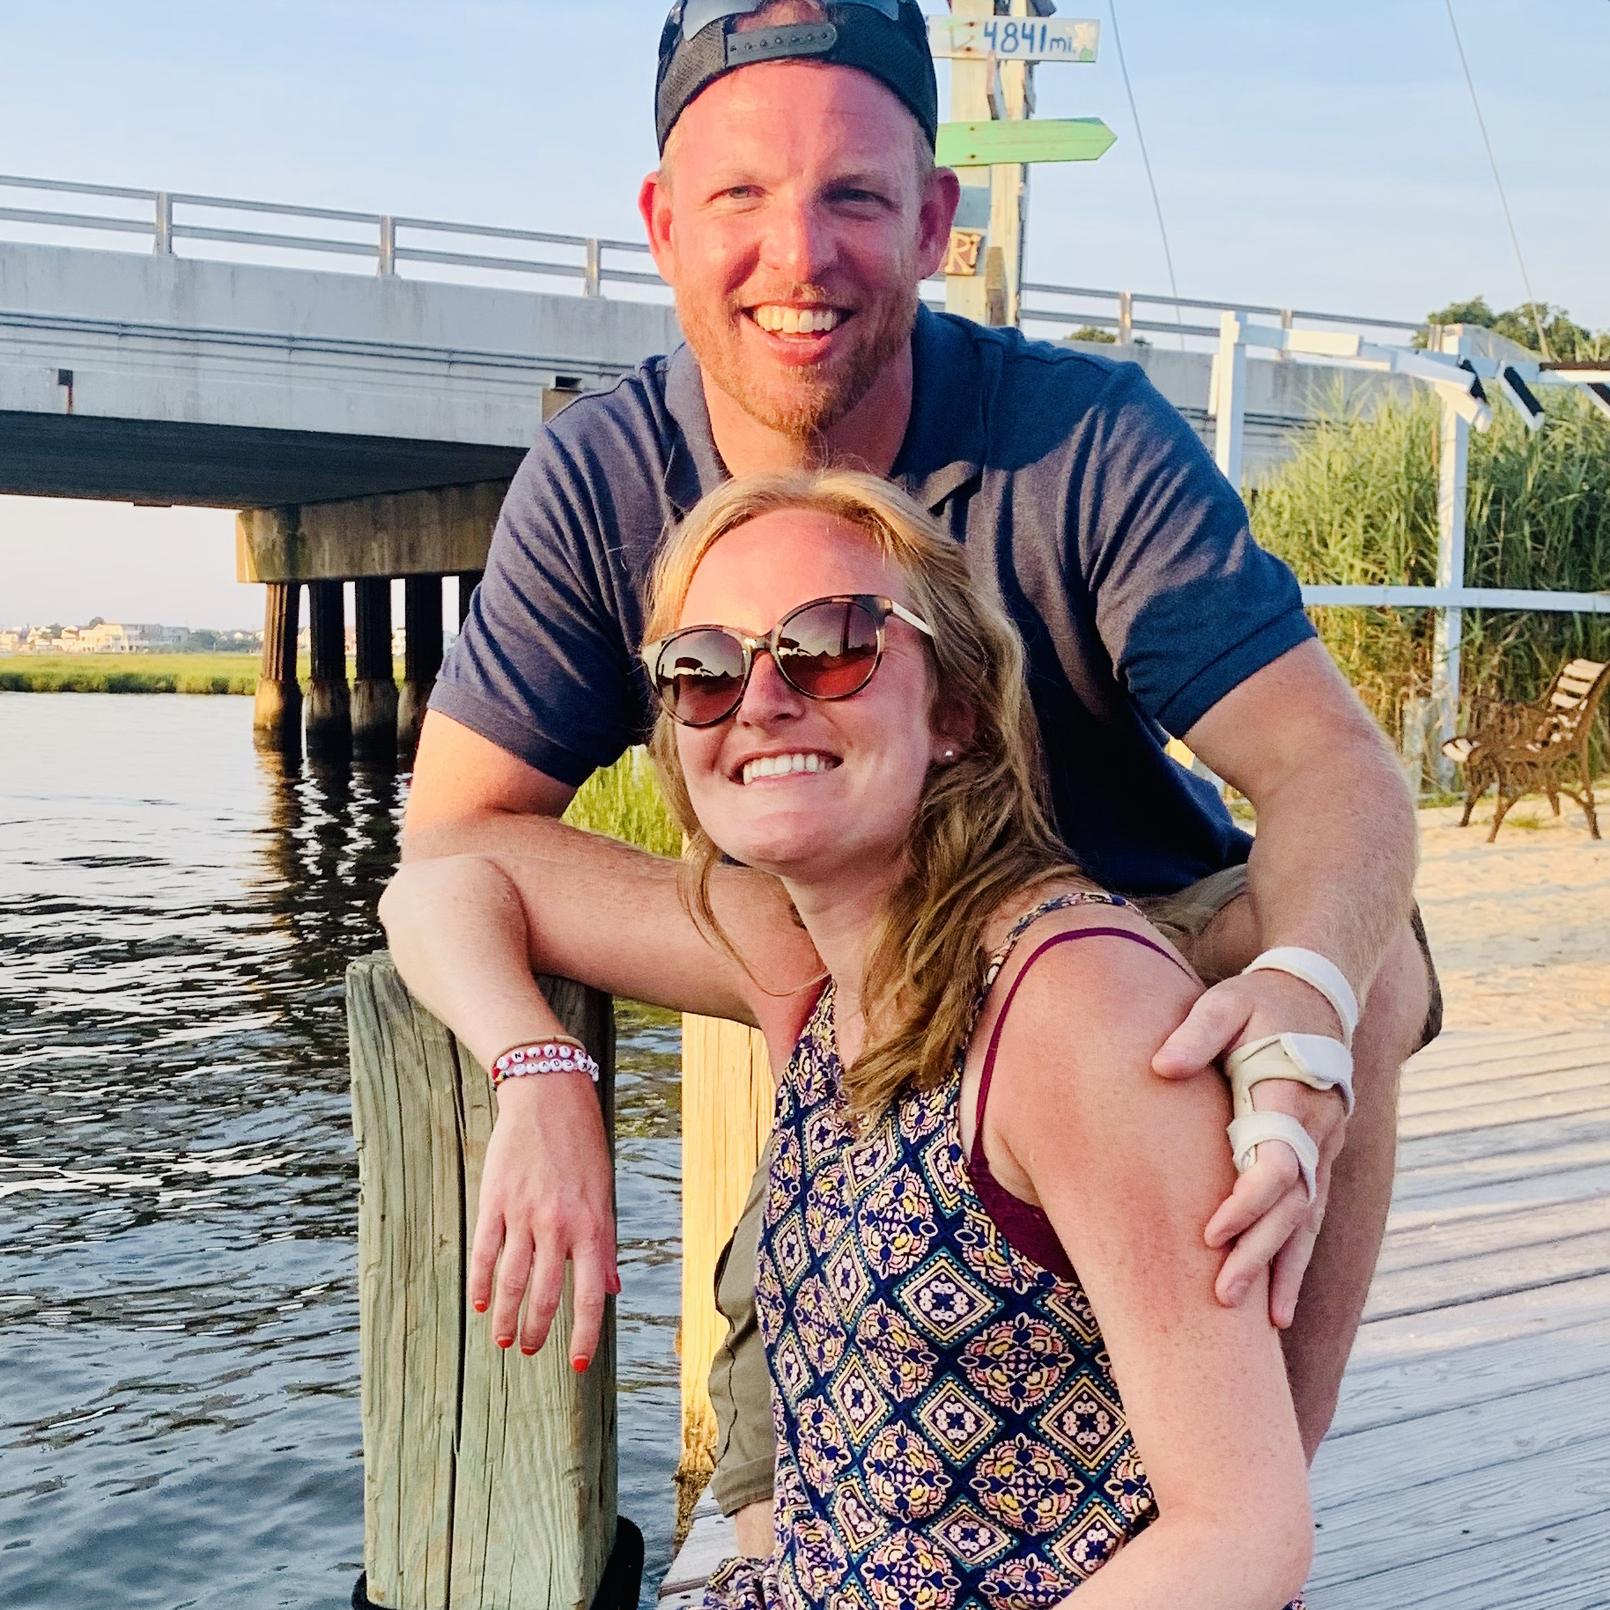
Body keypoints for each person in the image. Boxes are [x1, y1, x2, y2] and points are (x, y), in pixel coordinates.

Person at [401, 0, 1437, 1555]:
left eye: (852, 196)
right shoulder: (605, 476)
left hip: (1126, 973)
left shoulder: (1080, 444)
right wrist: (536, 1067)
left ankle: (1242, 1463)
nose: (797, 254)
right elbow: (454, 845)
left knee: (1377, 963)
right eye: (740, 197)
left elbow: (1330, 770)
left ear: (935, 218)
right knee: (763, 1505)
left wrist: (1299, 998)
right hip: (836, 963)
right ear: (663, 226)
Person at [381, 470, 1315, 1608]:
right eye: (705, 668)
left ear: (955, 710)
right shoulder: (810, 957)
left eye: (830, 645)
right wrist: (541, 1073)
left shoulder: (1075, 1005)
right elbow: (438, 881)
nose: (762, 699)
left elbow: (1241, 1534)